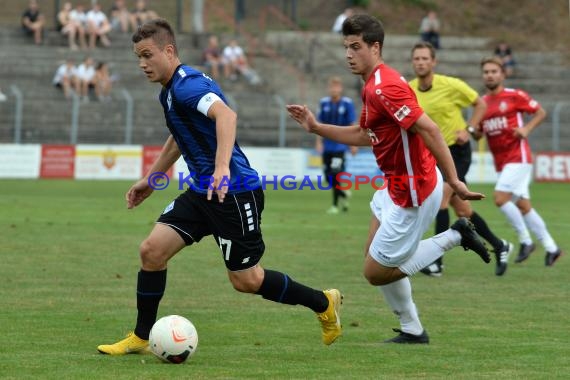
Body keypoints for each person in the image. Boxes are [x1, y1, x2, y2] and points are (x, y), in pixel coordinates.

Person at [96, 19, 342, 355]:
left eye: (147, 55)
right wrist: (151, 180)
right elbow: (180, 137)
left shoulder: (187, 86)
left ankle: (323, 303)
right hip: (202, 192)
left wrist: (222, 168)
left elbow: (226, 116)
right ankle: (141, 336)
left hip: (234, 192)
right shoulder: (170, 91)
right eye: (138, 56)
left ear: (169, 51)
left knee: (247, 281)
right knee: (151, 252)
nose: (142, 63)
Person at [287, 14, 490, 344]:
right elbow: (366, 134)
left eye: (356, 47)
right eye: (346, 47)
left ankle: (455, 236)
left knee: (375, 272)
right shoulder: (371, 85)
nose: (349, 54)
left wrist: (455, 182)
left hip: (415, 190)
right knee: (375, 257)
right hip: (395, 187)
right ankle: (412, 329)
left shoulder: (386, 87)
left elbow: (430, 129)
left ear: (375, 47)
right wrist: (315, 127)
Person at [409, 41, 513, 277]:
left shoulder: (451, 85)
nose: (421, 62)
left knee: (441, 199)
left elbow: (480, 103)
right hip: (432, 155)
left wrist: (469, 127)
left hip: (456, 151)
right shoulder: (409, 89)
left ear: (433, 62)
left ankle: (436, 262)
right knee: (463, 210)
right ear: (412, 62)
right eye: (417, 59)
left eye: (425, 58)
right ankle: (499, 245)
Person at [475, 57, 562, 267]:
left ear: (503, 74)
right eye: (486, 72)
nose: (490, 75)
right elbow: (478, 135)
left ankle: (525, 241)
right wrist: (474, 131)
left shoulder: (514, 96)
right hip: (502, 161)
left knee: (499, 198)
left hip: (518, 156)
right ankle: (552, 247)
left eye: (494, 71)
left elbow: (540, 112)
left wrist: (526, 129)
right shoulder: (482, 103)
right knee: (523, 206)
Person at [316, 76, 357, 214]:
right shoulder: (324, 103)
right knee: (327, 176)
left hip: (340, 146)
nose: (334, 89)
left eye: (336, 87)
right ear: (329, 89)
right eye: (332, 87)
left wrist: (353, 144)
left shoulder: (347, 103)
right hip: (327, 146)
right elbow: (319, 125)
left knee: (335, 174)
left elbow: (352, 124)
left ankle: (334, 205)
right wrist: (319, 142)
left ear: (341, 89)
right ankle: (344, 194)